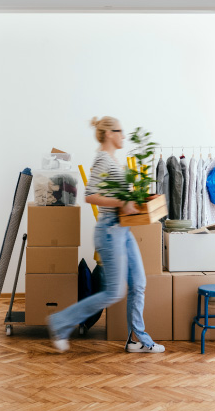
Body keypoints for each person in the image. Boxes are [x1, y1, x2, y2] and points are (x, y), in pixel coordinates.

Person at [46, 116, 166, 354]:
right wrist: (122, 201)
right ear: (109, 133)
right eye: (120, 131)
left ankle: (136, 339)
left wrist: (134, 198)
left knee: (139, 283)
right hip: (110, 232)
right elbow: (90, 195)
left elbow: (117, 196)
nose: (123, 135)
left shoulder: (113, 160)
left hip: (122, 230)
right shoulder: (102, 159)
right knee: (114, 292)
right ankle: (60, 323)